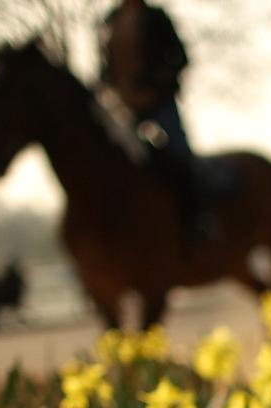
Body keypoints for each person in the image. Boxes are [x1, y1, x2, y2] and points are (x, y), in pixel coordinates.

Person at [99, 0, 203, 247]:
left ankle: (198, 222)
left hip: (160, 103)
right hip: (124, 109)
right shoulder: (110, 21)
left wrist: (154, 84)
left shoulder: (155, 18)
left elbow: (179, 57)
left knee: (180, 156)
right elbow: (105, 67)